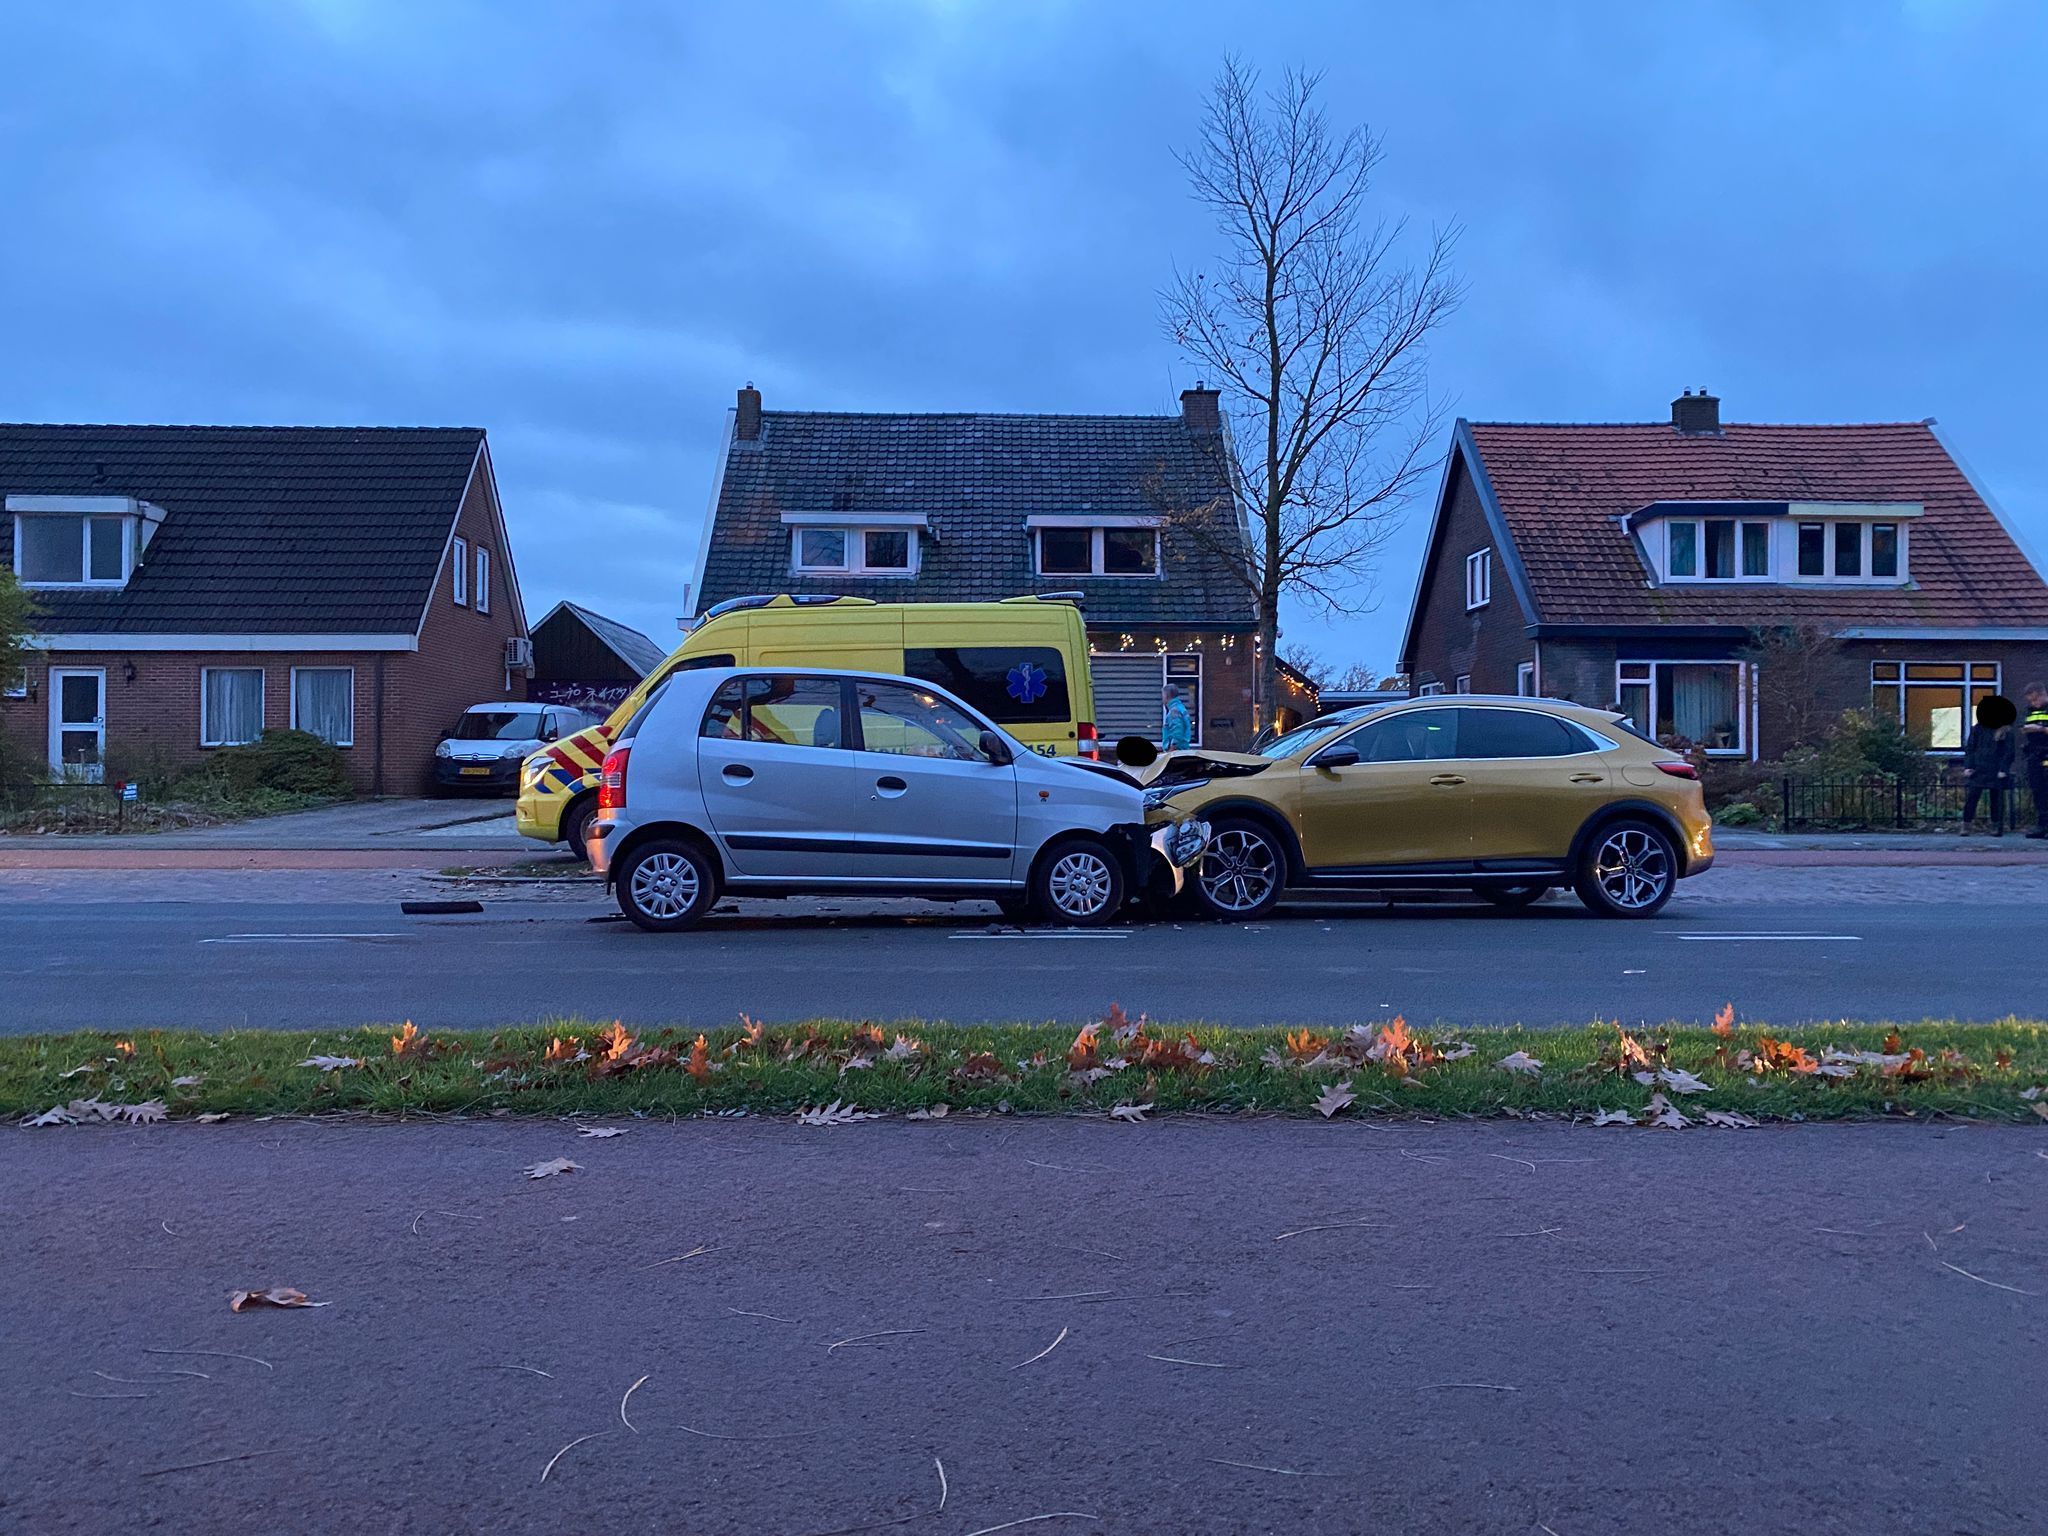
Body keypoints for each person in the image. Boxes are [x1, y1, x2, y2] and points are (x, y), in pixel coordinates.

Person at [1961, 696, 2016, 835]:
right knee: (1972, 796)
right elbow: (1970, 748)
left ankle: (1995, 825)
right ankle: (1966, 824)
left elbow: (2008, 752)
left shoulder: (2005, 731)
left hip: (1996, 769)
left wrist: (2003, 769)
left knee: (1996, 798)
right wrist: (1968, 766)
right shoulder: (1977, 729)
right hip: (1979, 768)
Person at [2024, 682, 2048, 839]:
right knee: (2038, 791)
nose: (2033, 703)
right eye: (2030, 701)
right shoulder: (2031, 712)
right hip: (2035, 755)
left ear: (2042, 694)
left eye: (2035, 700)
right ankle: (2042, 825)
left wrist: (2040, 729)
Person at [1161, 684, 1194, 751]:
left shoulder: (1174, 711)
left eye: (1163, 696)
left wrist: (1172, 749)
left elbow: (1177, 731)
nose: (1162, 699)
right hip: (1182, 749)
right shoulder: (1181, 708)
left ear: (1167, 696)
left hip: (1176, 752)